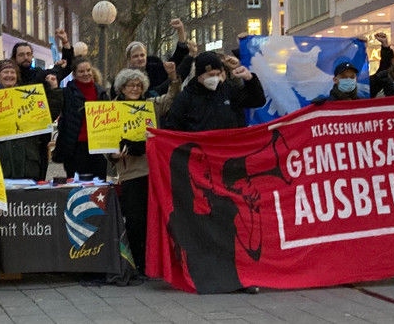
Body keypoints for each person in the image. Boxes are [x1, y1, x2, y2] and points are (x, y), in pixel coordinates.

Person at [107, 63, 179, 275]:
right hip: (129, 171)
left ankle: (150, 262)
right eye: (131, 86)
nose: (135, 89)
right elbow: (104, 139)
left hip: (152, 169)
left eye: (139, 86)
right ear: (122, 88)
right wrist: (111, 154)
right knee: (135, 219)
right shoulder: (111, 109)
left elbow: (170, 99)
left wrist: (173, 78)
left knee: (151, 218)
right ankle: (135, 261)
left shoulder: (150, 105)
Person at [0, 59, 63, 181]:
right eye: (5, 72)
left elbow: (49, 115)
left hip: (28, 164)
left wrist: (54, 90)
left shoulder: (28, 97)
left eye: (12, 72)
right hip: (0, 164)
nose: (9, 75)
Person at [165, 52, 266, 132]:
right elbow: (173, 129)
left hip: (229, 151)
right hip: (200, 154)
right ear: (199, 75)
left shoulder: (228, 90)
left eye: (218, 74)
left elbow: (258, 100)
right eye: (211, 74)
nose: (215, 78)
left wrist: (250, 79)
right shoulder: (185, 98)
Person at [52, 58, 111, 180]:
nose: (86, 74)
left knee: (100, 186)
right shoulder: (67, 93)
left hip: (96, 147)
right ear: (74, 74)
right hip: (75, 148)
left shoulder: (101, 92)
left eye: (88, 70)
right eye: (81, 71)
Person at [120, 19, 190, 97]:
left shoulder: (156, 70)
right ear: (129, 59)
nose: (140, 58)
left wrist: (180, 31)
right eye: (135, 56)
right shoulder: (122, 78)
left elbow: (178, 59)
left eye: (142, 55)